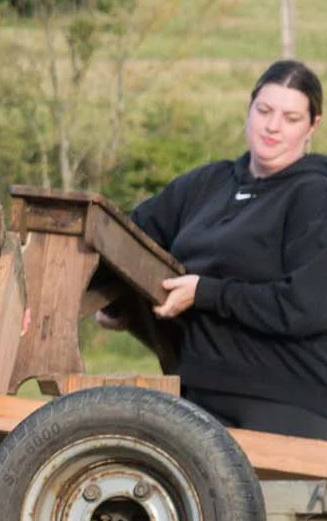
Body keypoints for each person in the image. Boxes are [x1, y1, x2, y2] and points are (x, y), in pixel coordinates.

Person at [128, 59, 327, 440]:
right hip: (198, 393)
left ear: (312, 126)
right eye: (265, 111)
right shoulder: (207, 183)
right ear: (249, 108)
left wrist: (206, 292)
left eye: (290, 118)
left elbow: (306, 306)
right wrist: (119, 296)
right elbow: (129, 234)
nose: (273, 127)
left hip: (286, 401)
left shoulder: (314, 195)